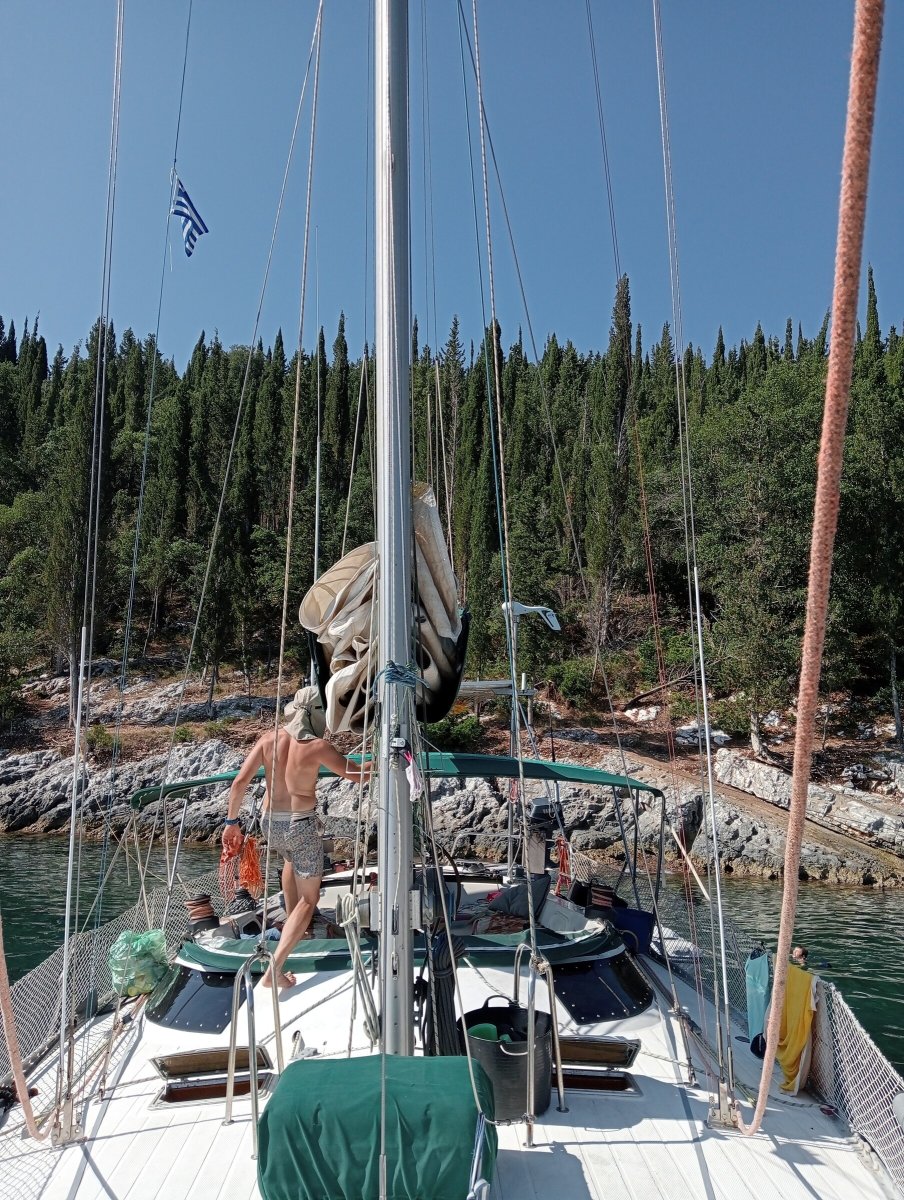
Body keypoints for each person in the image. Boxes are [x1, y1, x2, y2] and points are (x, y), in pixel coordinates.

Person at [222, 685, 369, 989]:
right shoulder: (317, 746)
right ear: (318, 715)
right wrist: (383, 763)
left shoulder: (267, 740)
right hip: (299, 825)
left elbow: (239, 783)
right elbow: (356, 774)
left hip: (268, 824)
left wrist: (231, 823)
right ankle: (274, 969)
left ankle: (294, 928)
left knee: (291, 859)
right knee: (309, 899)